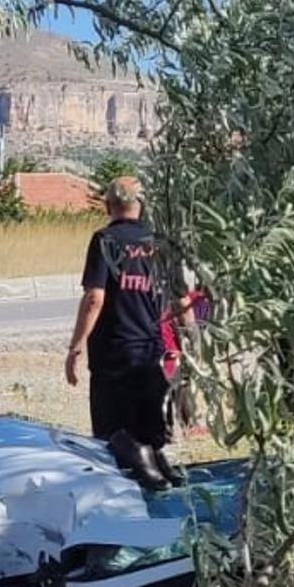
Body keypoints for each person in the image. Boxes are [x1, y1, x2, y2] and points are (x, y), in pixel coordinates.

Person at [65, 175, 188, 489]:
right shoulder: (161, 242)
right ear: (142, 206)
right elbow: (181, 300)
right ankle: (160, 467)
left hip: (114, 351)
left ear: (109, 205)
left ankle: (140, 478)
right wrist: (187, 343)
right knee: (150, 426)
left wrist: (76, 346)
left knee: (116, 434)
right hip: (153, 349)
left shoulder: (105, 240)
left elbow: (95, 298)